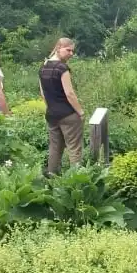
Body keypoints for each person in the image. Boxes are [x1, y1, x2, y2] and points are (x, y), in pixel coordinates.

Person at [39, 38, 84, 176]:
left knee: (55, 148)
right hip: (68, 115)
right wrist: (80, 112)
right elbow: (69, 93)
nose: (71, 53)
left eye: (72, 51)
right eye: (68, 50)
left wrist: (51, 107)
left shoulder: (43, 67)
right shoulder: (62, 68)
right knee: (74, 149)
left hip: (52, 115)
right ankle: (76, 180)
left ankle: (51, 178)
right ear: (58, 48)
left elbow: (42, 93)